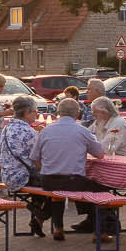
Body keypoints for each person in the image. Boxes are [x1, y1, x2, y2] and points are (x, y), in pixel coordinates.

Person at [26, 96, 103, 236]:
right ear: (77, 113)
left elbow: (34, 158)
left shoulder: (45, 131)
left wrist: (47, 168)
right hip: (73, 180)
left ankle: (57, 228)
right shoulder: (82, 131)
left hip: (48, 180)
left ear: (58, 112)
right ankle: (100, 230)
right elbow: (100, 154)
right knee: (101, 190)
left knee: (57, 193)